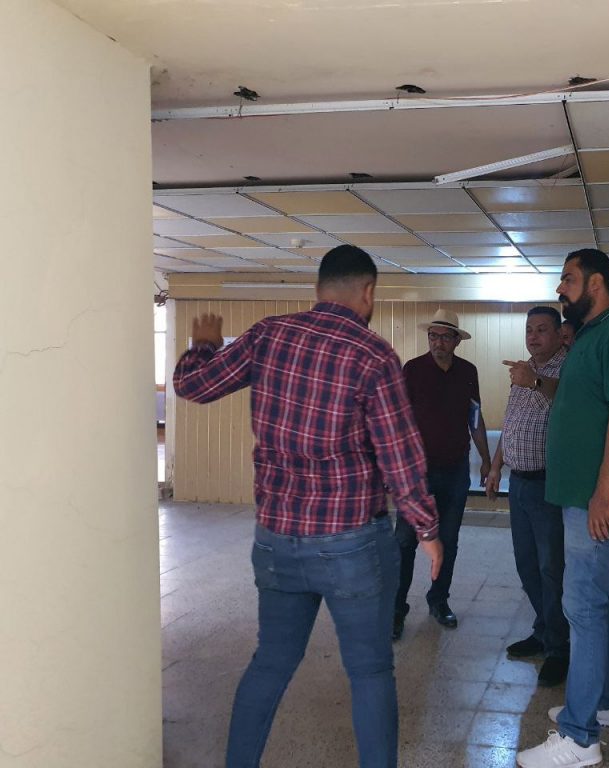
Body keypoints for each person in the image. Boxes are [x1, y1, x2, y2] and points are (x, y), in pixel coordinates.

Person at [172, 245, 442, 768]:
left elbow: (193, 385)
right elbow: (399, 455)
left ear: (318, 288)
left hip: (276, 540)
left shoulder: (268, 335)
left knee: (271, 663)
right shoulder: (373, 355)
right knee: (369, 672)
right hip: (350, 542)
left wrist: (202, 345)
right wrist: (427, 529)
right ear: (368, 293)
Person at [517, 249, 609, 768]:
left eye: (568, 279)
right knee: (602, 598)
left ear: (596, 283)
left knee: (583, 607)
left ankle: (578, 738)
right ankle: (605, 703)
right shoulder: (592, 336)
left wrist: (603, 491)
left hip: (597, 501)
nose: (560, 289)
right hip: (580, 497)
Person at [393, 308, 492, 638]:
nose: (438, 342)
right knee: (404, 542)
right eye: (433, 336)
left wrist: (486, 460)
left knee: (448, 540)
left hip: (454, 470)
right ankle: (396, 609)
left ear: (456, 341)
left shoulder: (468, 372)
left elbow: (475, 418)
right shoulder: (412, 370)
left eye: (444, 337)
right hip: (416, 474)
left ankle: (439, 600)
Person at [485, 306, 570, 687]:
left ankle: (560, 647)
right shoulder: (523, 370)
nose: (533, 337)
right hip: (518, 483)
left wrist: (533, 381)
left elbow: (566, 400)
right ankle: (544, 630)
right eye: (529, 330)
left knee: (553, 569)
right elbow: (512, 424)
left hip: (548, 484)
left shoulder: (567, 368)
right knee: (527, 565)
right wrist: (495, 467)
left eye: (542, 330)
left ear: (559, 334)